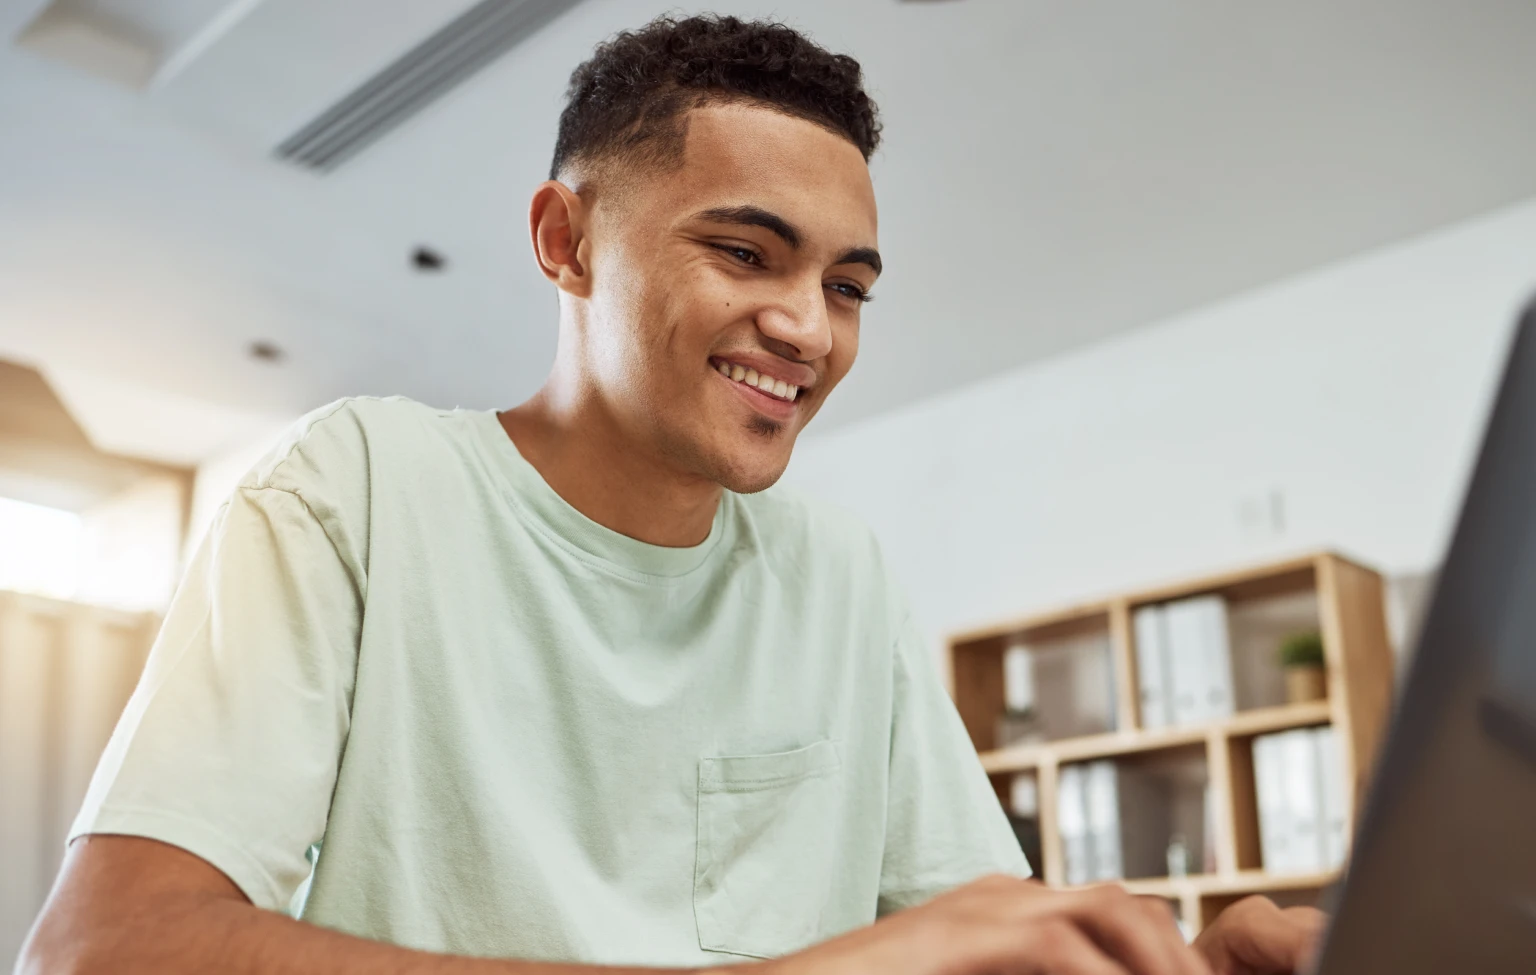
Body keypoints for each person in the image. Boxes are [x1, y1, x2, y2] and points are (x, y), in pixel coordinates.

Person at [20, 14, 1322, 975]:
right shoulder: (353, 490)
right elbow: (106, 949)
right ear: (565, 240)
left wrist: (1194, 963)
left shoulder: (837, 577)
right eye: (746, 251)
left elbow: (988, 947)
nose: (810, 326)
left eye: (850, 285)